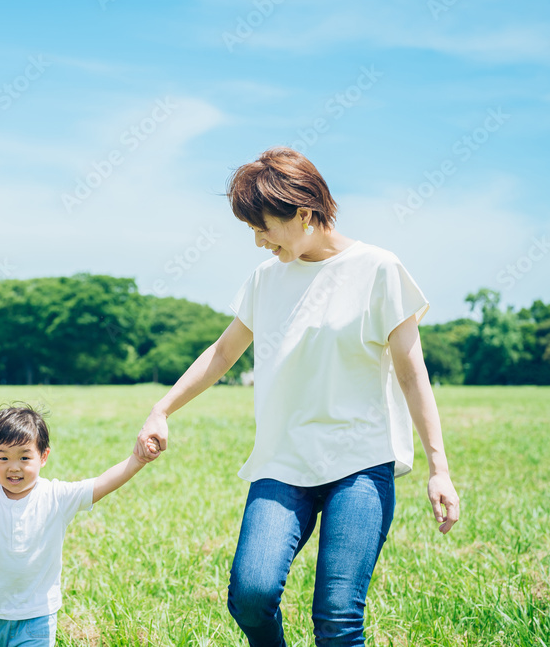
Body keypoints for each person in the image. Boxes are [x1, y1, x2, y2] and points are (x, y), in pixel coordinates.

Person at [135, 147, 460, 647]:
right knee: (251, 593)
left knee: (337, 615)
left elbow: (413, 375)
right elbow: (222, 354)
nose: (259, 241)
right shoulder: (266, 279)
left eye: (263, 227)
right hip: (282, 462)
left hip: (360, 465)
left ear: (305, 213)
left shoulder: (379, 269)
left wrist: (439, 468)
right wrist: (162, 408)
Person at [0, 404, 158, 647]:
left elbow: (100, 484)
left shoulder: (55, 496)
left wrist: (137, 460)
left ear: (43, 457)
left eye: (25, 457)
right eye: (3, 457)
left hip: (37, 619)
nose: (14, 467)